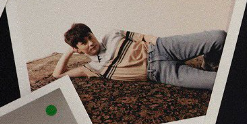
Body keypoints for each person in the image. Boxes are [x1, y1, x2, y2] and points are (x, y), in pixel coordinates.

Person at [52, 24, 226, 91]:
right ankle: (208, 72)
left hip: (162, 47)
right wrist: (69, 51)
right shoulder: (91, 68)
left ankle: (209, 64)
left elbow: (140, 36)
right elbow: (57, 74)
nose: (91, 43)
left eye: (90, 37)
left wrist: (157, 41)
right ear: (78, 49)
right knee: (219, 83)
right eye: (83, 43)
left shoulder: (112, 35)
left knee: (219, 37)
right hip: (160, 72)